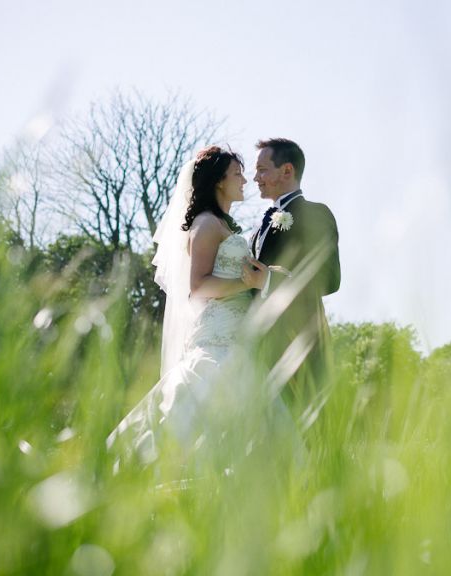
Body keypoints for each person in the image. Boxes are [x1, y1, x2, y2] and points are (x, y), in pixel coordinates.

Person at [107, 146, 267, 465]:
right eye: (237, 173)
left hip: (237, 337)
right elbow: (198, 287)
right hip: (217, 340)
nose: (245, 180)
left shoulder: (224, 225)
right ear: (219, 181)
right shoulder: (206, 225)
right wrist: (246, 284)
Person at [249, 138, 341, 411]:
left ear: (286, 171)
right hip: (257, 350)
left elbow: (330, 279)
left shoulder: (315, 214)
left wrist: (267, 280)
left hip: (298, 346)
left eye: (262, 169)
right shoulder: (258, 227)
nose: (256, 177)